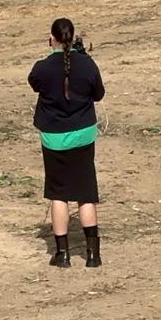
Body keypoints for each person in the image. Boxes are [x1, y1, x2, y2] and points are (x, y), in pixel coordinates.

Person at [28, 18, 105, 268]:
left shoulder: (43, 67)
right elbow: (98, 94)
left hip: (54, 138)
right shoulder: (87, 64)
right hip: (83, 134)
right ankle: (93, 255)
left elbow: (35, 83)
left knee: (58, 194)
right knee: (86, 193)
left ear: (52, 39)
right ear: (73, 38)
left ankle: (62, 254)